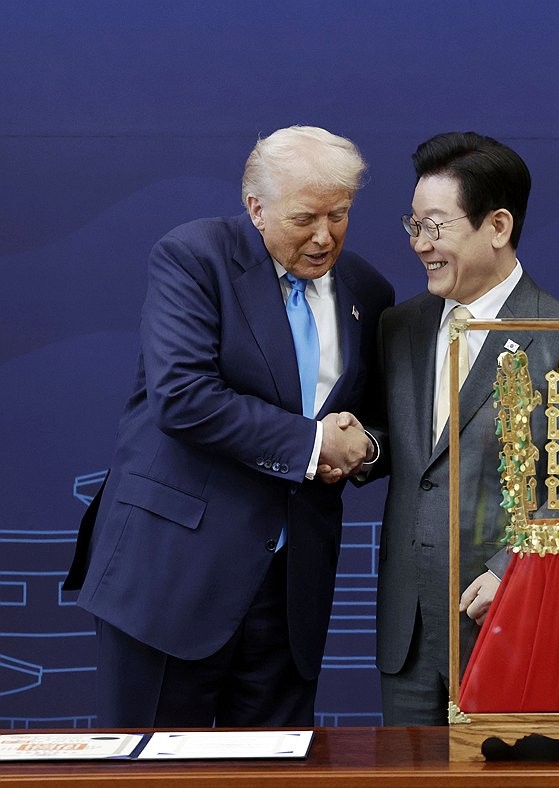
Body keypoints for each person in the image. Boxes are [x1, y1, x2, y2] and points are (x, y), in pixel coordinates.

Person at [64, 125, 395, 728]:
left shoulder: (367, 291)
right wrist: (313, 443)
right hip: (174, 575)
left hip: (291, 592)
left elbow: (374, 422)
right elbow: (183, 396)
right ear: (256, 208)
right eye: (305, 218)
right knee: (153, 767)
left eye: (340, 214)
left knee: (274, 765)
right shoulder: (195, 257)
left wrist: (364, 448)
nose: (325, 236)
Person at [366, 131, 559, 725]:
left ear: (497, 226)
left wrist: (512, 570)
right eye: (413, 225)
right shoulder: (400, 327)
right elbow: (409, 449)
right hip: (409, 631)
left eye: (435, 226)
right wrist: (359, 447)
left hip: (509, 622)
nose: (419, 244)